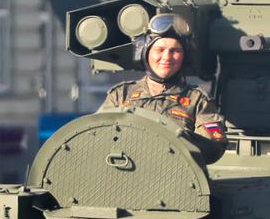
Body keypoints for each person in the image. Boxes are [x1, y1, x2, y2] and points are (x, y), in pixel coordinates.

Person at [98, 12, 229, 163]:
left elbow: (214, 148)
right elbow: (96, 135)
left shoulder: (197, 100)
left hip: (173, 178)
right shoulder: (121, 95)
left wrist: (179, 137)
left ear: (186, 56)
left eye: (175, 51)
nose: (166, 57)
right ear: (144, 53)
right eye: (159, 50)